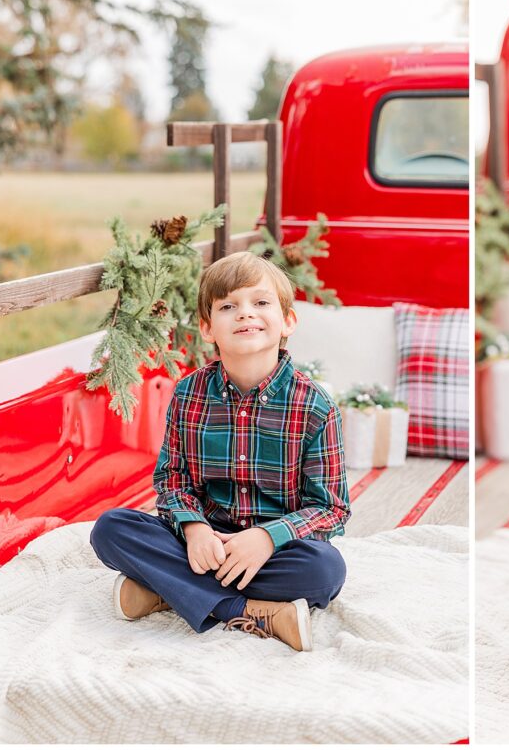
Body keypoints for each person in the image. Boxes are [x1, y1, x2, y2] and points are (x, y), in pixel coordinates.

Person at [90, 251, 350, 652]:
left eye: (260, 303)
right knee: (111, 529)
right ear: (208, 328)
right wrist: (193, 529)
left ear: (288, 322)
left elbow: (330, 508)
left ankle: (166, 593)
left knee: (325, 570)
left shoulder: (314, 406)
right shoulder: (190, 393)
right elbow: (172, 479)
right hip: (203, 543)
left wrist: (266, 537)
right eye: (229, 306)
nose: (246, 314)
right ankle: (252, 611)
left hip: (274, 552)